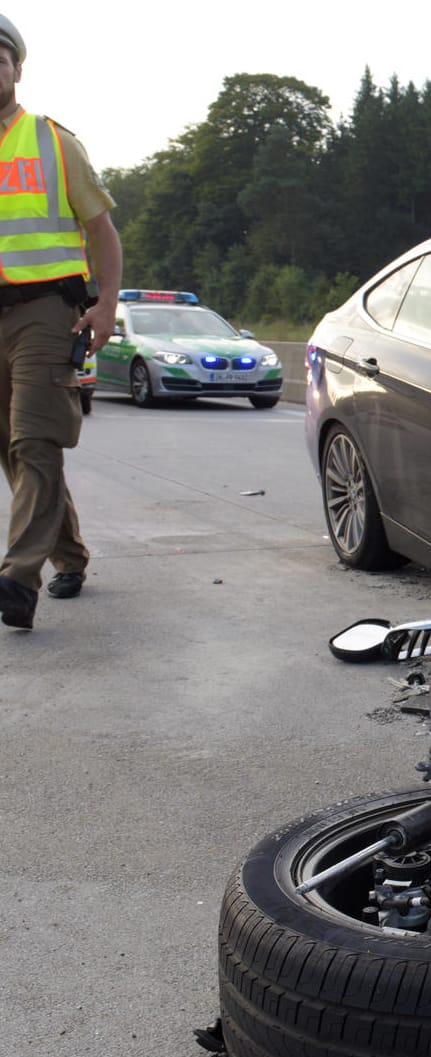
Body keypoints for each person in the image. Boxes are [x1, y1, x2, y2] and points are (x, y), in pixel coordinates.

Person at [0, 13, 121, 629]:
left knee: (35, 442)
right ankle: (68, 555)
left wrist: (105, 304)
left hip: (46, 313)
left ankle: (17, 578)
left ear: (17, 69)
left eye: (0, 58)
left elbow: (101, 228)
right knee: (16, 454)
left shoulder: (51, 140)